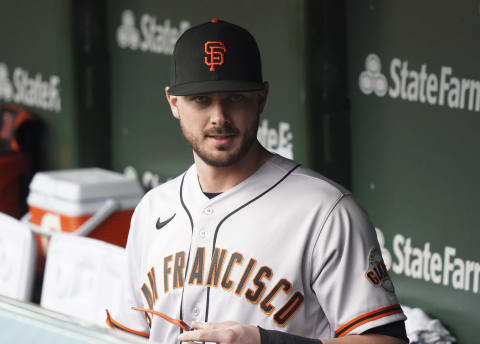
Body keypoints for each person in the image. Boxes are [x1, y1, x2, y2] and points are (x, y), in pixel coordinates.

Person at [107, 19, 408, 344]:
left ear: (261, 98)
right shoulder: (153, 208)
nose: (219, 117)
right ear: (174, 103)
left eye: (235, 98)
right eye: (201, 100)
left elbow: (385, 342)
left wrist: (267, 342)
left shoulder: (326, 212)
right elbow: (126, 336)